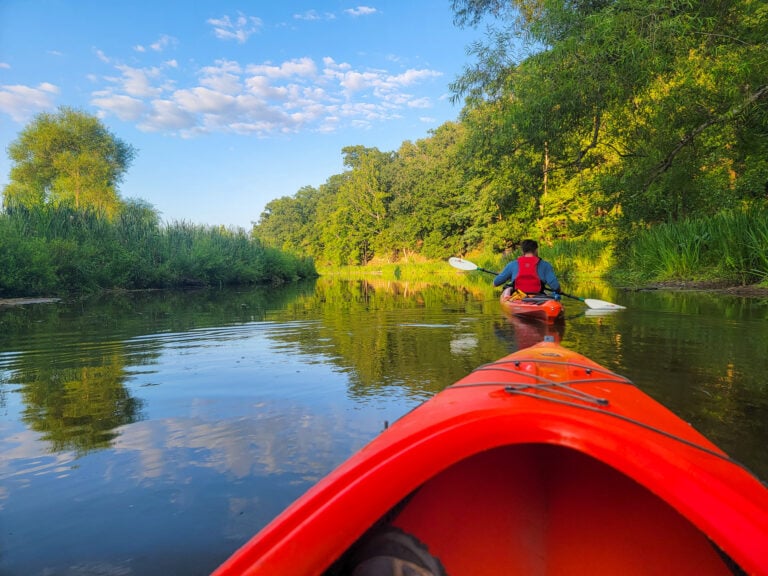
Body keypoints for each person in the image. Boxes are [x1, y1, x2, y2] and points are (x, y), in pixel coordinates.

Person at [493, 239, 561, 297]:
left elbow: (496, 283)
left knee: (508, 288)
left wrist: (510, 278)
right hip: (538, 297)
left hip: (519, 297)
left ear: (522, 251)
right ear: (536, 250)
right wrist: (558, 291)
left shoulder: (512, 264)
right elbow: (555, 286)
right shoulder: (546, 265)